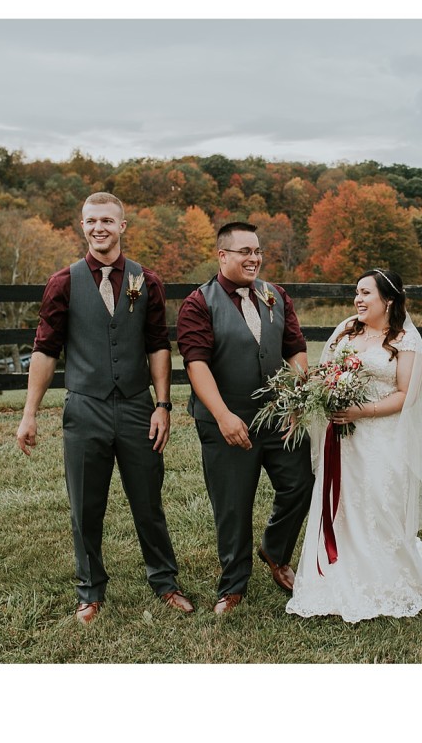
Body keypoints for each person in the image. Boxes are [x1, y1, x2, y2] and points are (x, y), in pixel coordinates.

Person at [16, 192, 193, 624]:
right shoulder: (64, 282)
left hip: (136, 407)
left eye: (108, 221)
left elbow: (157, 346)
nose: (100, 228)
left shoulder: (146, 281)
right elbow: (44, 349)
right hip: (85, 408)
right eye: (92, 220)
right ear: (82, 227)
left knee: (148, 502)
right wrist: (29, 412)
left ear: (122, 226)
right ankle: (90, 590)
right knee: (85, 506)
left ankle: (165, 582)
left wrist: (163, 404)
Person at [287, 269, 422, 622]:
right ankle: (335, 570)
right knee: (341, 504)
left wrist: (362, 410)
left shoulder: (405, 341)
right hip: (342, 438)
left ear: (387, 300)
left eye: (365, 293)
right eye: (356, 293)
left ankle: (384, 574)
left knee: (377, 501)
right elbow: (325, 373)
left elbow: (406, 395)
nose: (357, 300)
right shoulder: (347, 330)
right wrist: (324, 393)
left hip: (382, 435)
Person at [177, 222, 315, 615]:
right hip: (225, 421)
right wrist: (223, 416)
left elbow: (296, 348)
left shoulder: (276, 296)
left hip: (277, 417)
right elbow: (196, 365)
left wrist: (295, 397)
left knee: (301, 482)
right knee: (233, 504)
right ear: (223, 256)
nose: (254, 258)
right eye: (244, 252)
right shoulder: (198, 304)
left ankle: (275, 549)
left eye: (257, 251)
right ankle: (233, 584)